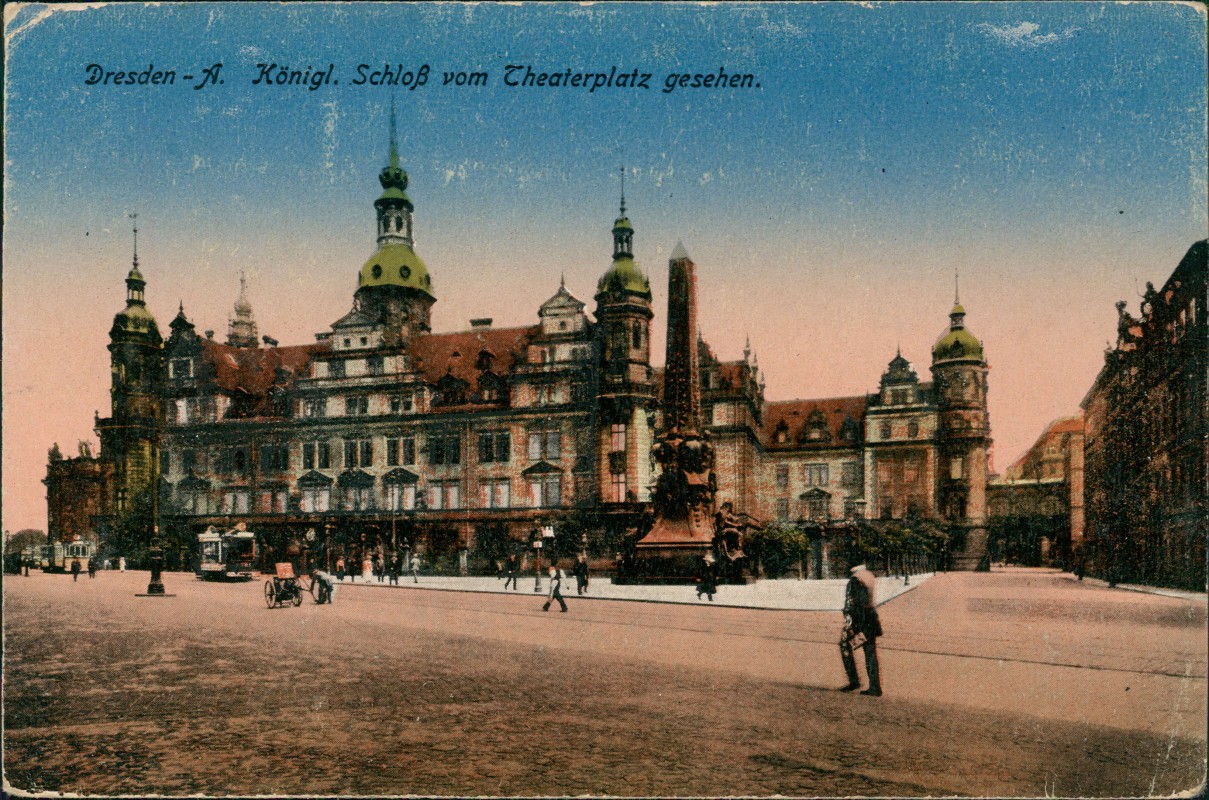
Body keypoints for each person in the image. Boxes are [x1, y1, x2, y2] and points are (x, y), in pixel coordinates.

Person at [839, 563, 883, 697]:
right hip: (871, 619)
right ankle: (875, 686)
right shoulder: (868, 575)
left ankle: (854, 681)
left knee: (845, 646)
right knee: (870, 653)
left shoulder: (855, 579)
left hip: (859, 621)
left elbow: (856, 604)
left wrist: (854, 627)